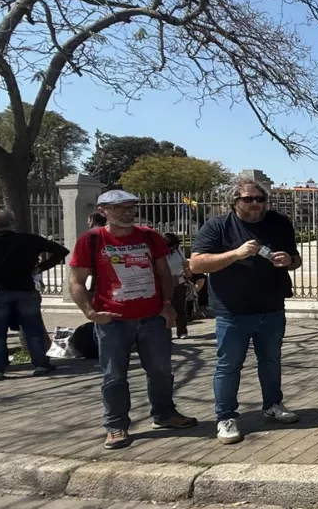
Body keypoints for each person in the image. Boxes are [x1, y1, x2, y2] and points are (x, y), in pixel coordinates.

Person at [68, 191, 197, 450]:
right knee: (114, 376)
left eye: (131, 207)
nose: (127, 212)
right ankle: (115, 425)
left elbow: (164, 274)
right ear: (103, 210)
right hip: (113, 321)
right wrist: (91, 314)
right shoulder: (92, 240)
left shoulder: (149, 236)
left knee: (161, 372)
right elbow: (76, 281)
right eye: (119, 208)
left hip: (152, 318)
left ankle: (164, 414)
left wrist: (167, 305)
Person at [191, 178, 302, 445]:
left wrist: (289, 261)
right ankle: (226, 417)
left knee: (271, 361)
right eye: (248, 199)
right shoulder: (218, 226)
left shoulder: (279, 222)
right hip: (233, 310)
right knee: (228, 366)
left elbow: (296, 258)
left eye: (260, 199)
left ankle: (273, 405)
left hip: (272, 307)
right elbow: (196, 262)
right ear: (235, 201)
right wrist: (236, 254)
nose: (255, 204)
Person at [0, 209, 67, 381]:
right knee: (32, 329)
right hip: (25, 289)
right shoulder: (29, 239)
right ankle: (41, 364)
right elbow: (61, 251)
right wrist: (41, 268)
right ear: (13, 221)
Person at [163, 233, 189, 339]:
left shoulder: (178, 250)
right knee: (164, 308)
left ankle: (182, 331)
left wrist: (186, 272)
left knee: (180, 308)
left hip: (179, 281)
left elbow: (185, 263)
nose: (173, 248)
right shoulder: (159, 251)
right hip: (164, 283)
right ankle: (164, 332)